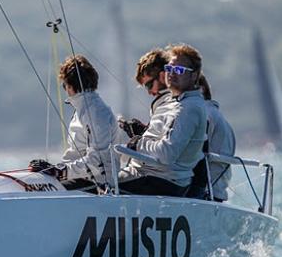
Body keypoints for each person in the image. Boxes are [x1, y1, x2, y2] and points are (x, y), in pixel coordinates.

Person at [118, 44, 207, 196]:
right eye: (169, 69)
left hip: (160, 181)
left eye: (179, 70)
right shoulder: (179, 103)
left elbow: (167, 153)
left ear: (194, 76)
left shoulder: (188, 109)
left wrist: (137, 143)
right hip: (156, 177)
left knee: (97, 185)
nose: (172, 74)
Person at [28, 54, 118, 192]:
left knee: (38, 190)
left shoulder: (97, 112)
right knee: (33, 181)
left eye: (64, 85)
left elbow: (98, 160)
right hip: (81, 179)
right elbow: (74, 156)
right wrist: (53, 169)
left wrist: (60, 172)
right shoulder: (83, 109)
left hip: (100, 186)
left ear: (70, 86)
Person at [193, 74, 236, 202]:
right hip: (216, 193)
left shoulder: (204, 115)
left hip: (203, 194)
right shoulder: (217, 116)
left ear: (201, 90)